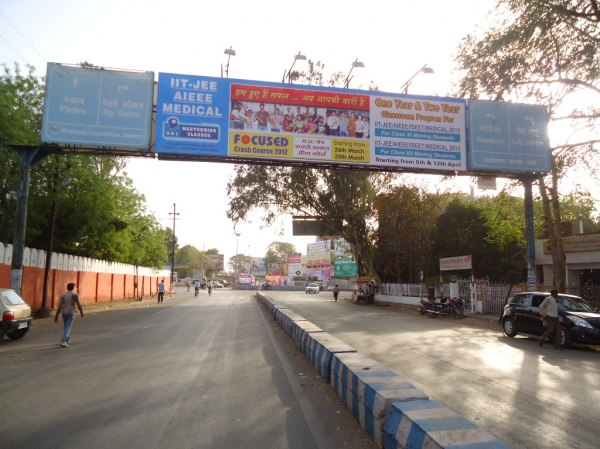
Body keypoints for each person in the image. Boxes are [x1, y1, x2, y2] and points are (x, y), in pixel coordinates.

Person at [54, 283, 84, 347]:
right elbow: (79, 304)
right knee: (68, 326)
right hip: (71, 312)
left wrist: (56, 315)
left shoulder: (63, 295)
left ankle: (67, 339)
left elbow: (60, 306)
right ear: (73, 288)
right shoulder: (75, 295)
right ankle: (63, 341)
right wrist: (81, 312)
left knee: (66, 326)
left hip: (64, 313)